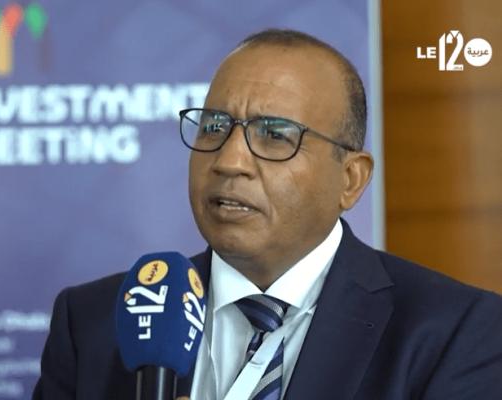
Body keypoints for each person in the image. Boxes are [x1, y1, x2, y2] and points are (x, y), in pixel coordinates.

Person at [32, 29, 502, 399]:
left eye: (275, 135)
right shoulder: (93, 323)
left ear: (350, 179)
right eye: (214, 127)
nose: (229, 160)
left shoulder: (454, 332)